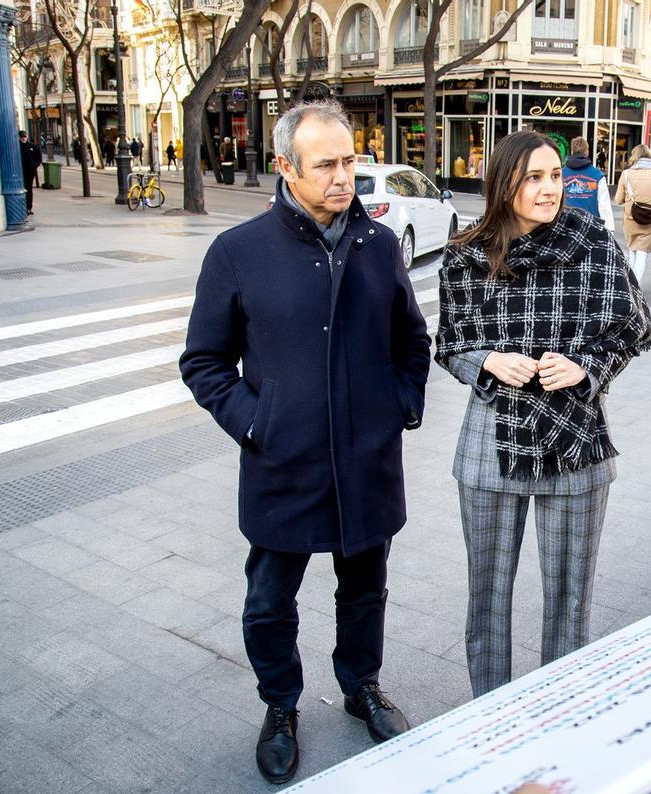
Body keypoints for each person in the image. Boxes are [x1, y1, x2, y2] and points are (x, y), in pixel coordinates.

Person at [180, 100, 429, 784]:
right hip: (281, 466)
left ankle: (361, 687)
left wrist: (400, 405)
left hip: (367, 462)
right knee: (269, 601)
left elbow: (412, 339)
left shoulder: (378, 247)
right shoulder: (237, 253)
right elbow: (203, 362)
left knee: (365, 591)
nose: (344, 176)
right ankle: (281, 706)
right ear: (286, 167)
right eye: (327, 165)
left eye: (350, 160)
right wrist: (257, 423)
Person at [435, 130, 651, 698]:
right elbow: (449, 343)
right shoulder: (466, 254)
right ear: (503, 182)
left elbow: (630, 331)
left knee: (569, 597)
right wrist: (487, 360)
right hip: (491, 439)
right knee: (487, 595)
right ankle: (488, 715)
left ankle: (558, 715)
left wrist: (586, 367)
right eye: (533, 177)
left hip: (574, 438)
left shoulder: (593, 243)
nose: (549, 189)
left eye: (555, 176)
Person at [615, 143, 651, 283]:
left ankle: (629, 286)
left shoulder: (626, 174)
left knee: (632, 252)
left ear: (634, 156)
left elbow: (618, 200)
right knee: (642, 255)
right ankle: (636, 289)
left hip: (630, 219)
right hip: (649, 220)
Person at [561, 136, 614, 232]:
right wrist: (610, 231)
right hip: (591, 228)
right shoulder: (597, 175)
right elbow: (604, 206)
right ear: (587, 152)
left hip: (565, 227)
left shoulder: (560, 174)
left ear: (572, 152)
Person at [18, 131, 41, 215]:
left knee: (29, 189)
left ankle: (29, 207)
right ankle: (23, 207)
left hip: (30, 171)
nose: (23, 138)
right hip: (21, 172)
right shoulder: (18, 147)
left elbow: (39, 158)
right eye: (22, 137)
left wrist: (34, 165)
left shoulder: (32, 146)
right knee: (23, 189)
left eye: (24, 136)